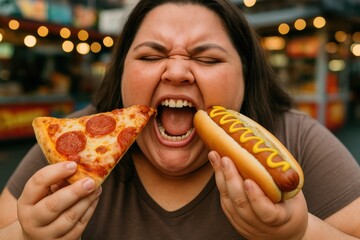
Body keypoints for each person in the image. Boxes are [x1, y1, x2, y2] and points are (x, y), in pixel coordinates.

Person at [1, 0, 360, 239]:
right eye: (151, 55)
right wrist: (24, 235)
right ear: (121, 72)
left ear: (245, 75)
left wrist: (300, 233)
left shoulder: (294, 138)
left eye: (207, 59)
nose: (176, 71)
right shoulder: (76, 144)